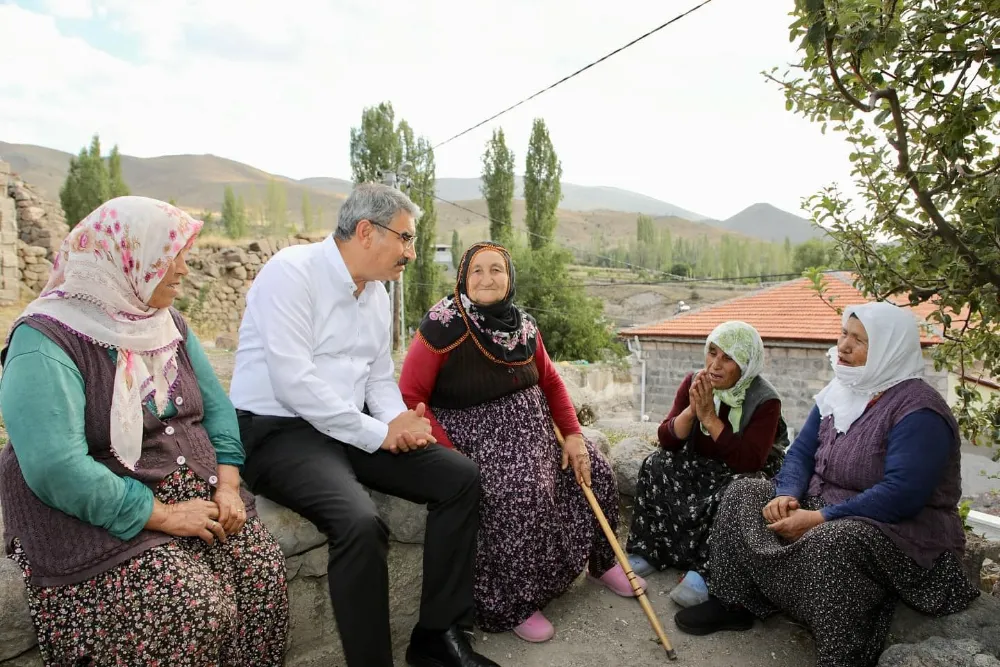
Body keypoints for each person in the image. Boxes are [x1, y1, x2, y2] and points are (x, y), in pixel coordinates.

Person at [0, 196, 289, 666]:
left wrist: (230, 486)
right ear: (124, 259)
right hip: (94, 515)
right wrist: (167, 517)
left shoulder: (167, 323)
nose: (183, 269)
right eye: (169, 254)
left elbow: (217, 412)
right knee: (191, 610)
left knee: (263, 574)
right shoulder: (45, 340)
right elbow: (57, 469)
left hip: (187, 497)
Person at [229, 184, 499, 667]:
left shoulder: (376, 293)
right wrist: (381, 432)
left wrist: (397, 418)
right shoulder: (290, 274)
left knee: (459, 477)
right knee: (357, 522)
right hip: (280, 431)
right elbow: (294, 383)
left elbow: (376, 376)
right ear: (366, 231)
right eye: (406, 238)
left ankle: (437, 636)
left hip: (349, 425)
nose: (412, 253)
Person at [674, 302, 980, 667]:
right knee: (743, 492)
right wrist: (787, 494)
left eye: (860, 341)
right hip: (823, 505)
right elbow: (801, 453)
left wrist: (819, 518)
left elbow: (903, 496)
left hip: (897, 531)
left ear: (889, 350)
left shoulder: (919, 411)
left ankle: (842, 654)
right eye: (844, 335)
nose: (845, 347)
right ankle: (735, 602)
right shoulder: (842, 390)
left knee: (831, 542)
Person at [397, 241, 643, 645]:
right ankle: (514, 602)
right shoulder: (442, 324)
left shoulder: (523, 325)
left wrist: (575, 437)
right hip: (475, 440)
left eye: (497, 270)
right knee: (518, 493)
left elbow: (550, 382)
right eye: (477, 270)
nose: (486, 278)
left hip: (535, 433)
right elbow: (411, 395)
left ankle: (602, 562)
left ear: (509, 278)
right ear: (463, 277)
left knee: (594, 469)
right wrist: (449, 454)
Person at [626, 321, 787, 608]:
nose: (715, 365)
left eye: (728, 358)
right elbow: (667, 439)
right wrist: (693, 409)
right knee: (656, 464)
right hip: (700, 465)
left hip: (739, 472)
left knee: (737, 491)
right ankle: (650, 551)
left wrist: (711, 418)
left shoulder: (764, 399)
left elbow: (749, 461)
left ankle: (705, 572)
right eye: (712, 353)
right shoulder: (695, 382)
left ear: (746, 363)